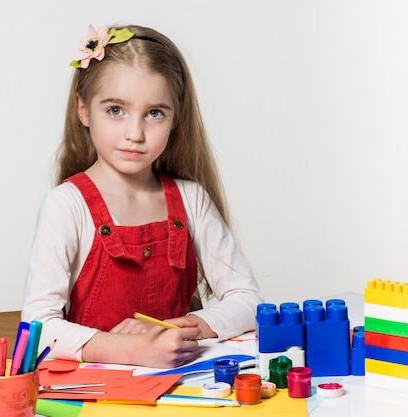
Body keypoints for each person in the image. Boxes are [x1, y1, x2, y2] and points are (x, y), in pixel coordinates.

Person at [22, 23, 264, 368]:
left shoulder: (191, 199)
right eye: (115, 110)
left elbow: (249, 299)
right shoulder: (67, 205)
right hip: (98, 392)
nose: (134, 133)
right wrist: (130, 349)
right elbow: (38, 329)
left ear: (175, 119)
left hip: (180, 386)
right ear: (84, 110)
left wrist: (182, 331)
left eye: (154, 113)